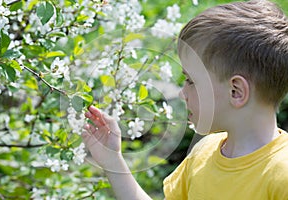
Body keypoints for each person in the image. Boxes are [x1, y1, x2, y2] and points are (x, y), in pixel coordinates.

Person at [82, 0, 288, 199]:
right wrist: (112, 160)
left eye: (190, 80)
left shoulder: (282, 175)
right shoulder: (203, 153)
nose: (182, 92)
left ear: (235, 91)